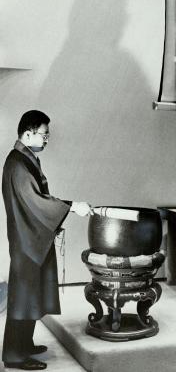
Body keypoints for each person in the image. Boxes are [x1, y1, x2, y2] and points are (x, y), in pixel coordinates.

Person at [2, 110, 93, 370]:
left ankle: (24, 345)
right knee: (23, 297)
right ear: (27, 134)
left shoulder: (24, 159)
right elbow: (36, 202)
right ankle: (13, 355)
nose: (47, 140)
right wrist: (72, 206)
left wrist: (57, 217)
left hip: (30, 237)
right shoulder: (17, 164)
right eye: (44, 134)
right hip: (27, 242)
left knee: (30, 295)